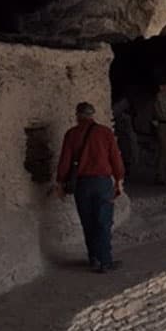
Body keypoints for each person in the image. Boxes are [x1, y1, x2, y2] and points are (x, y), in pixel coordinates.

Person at [55, 102, 125, 273]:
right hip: (102, 183)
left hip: (82, 184)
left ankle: (93, 257)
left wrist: (60, 183)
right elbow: (115, 159)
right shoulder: (105, 133)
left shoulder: (71, 134)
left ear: (77, 115)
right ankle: (105, 261)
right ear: (92, 115)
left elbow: (65, 161)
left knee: (88, 221)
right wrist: (119, 180)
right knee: (103, 222)